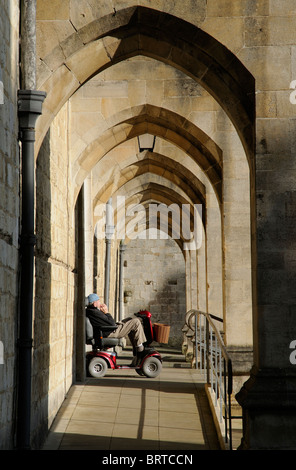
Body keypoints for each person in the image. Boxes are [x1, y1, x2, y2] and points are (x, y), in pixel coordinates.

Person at [85, 293, 147, 364]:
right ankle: (140, 349)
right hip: (109, 332)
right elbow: (111, 323)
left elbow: (107, 322)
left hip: (107, 330)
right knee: (136, 322)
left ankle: (136, 350)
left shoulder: (91, 311)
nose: (100, 302)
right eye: (98, 300)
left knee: (129, 319)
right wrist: (106, 312)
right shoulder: (95, 312)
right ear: (94, 303)